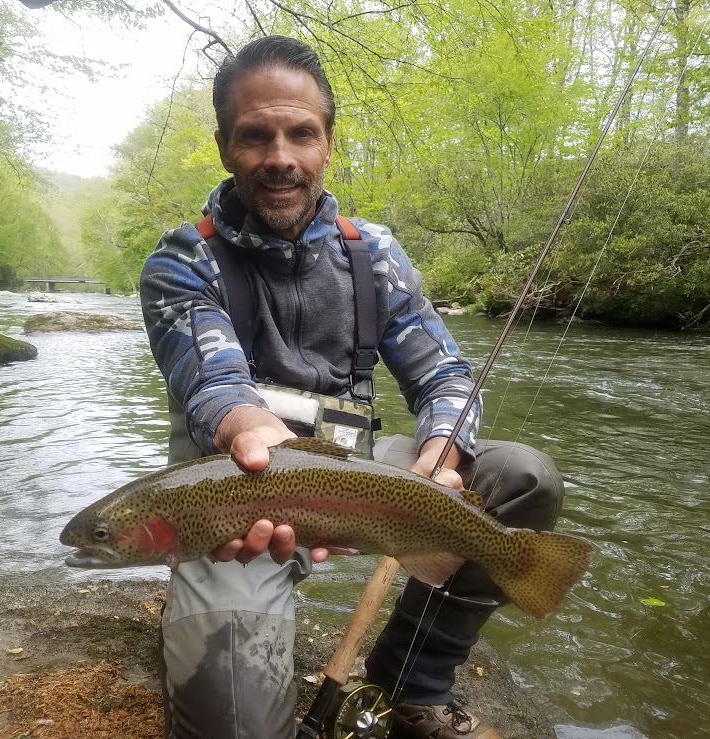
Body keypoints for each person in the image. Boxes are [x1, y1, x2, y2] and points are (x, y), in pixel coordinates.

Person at [139, 35, 564, 739]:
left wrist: (440, 451)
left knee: (521, 478)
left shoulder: (374, 255)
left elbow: (445, 375)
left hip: (357, 483)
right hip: (236, 509)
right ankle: (198, 620)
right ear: (223, 146)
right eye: (255, 136)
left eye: (300, 133)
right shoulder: (184, 260)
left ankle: (410, 686)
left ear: (327, 143)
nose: (280, 157)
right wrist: (248, 428)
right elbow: (214, 381)